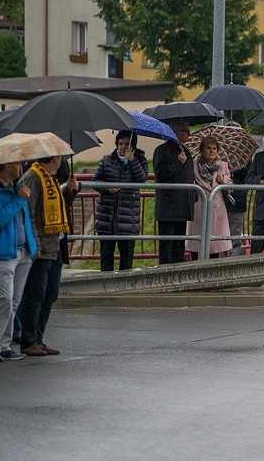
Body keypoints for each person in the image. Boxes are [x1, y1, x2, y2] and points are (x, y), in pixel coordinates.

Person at [18, 155, 80, 357]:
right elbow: (29, 212)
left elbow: (59, 207)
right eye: (59, 156)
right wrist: (34, 242)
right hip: (42, 245)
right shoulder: (33, 177)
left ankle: (38, 338)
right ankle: (28, 340)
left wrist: (70, 192)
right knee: (35, 294)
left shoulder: (51, 177)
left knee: (50, 293)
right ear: (53, 158)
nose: (61, 160)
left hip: (56, 244)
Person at [0, 160, 35, 362]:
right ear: (7, 166)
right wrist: (18, 200)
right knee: (4, 299)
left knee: (14, 301)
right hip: (3, 253)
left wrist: (32, 245)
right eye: (18, 164)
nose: (21, 167)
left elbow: (25, 219)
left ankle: (5, 345)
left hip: (23, 252)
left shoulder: (16, 188)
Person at [93, 131, 149, 271]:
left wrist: (132, 161)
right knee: (106, 254)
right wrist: (107, 188)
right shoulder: (107, 160)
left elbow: (142, 179)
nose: (123, 147)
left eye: (126, 144)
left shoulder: (140, 160)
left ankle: (125, 287)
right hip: (107, 215)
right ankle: (105, 283)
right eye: (120, 144)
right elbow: (95, 181)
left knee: (127, 255)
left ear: (133, 146)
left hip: (128, 215)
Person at [153, 119, 195, 264]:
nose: (189, 134)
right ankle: (164, 274)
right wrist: (177, 163)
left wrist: (193, 197)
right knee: (167, 244)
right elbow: (160, 174)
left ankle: (178, 272)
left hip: (183, 206)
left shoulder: (186, 151)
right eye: (185, 130)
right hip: (168, 206)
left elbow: (190, 176)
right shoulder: (161, 150)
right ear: (176, 132)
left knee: (179, 244)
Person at [185, 136, 232, 260]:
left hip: (217, 210)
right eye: (208, 148)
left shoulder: (223, 165)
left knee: (214, 246)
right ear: (201, 151)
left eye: (214, 148)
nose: (212, 151)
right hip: (199, 209)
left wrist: (224, 180)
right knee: (197, 245)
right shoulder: (193, 164)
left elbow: (231, 187)